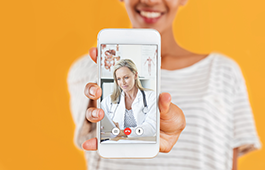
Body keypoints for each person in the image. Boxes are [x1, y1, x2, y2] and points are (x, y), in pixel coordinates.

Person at [67, 0, 261, 169]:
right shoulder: (89, 69)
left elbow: (228, 159)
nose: (150, 0)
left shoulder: (223, 72)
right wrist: (102, 99)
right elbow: (96, 114)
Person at [101, 59, 156, 138]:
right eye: (119, 79)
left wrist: (123, 132)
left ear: (135, 75)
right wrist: (110, 126)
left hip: (143, 144)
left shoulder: (151, 97)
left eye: (126, 77)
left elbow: (152, 126)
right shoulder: (109, 100)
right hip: (117, 145)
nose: (122, 83)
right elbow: (99, 121)